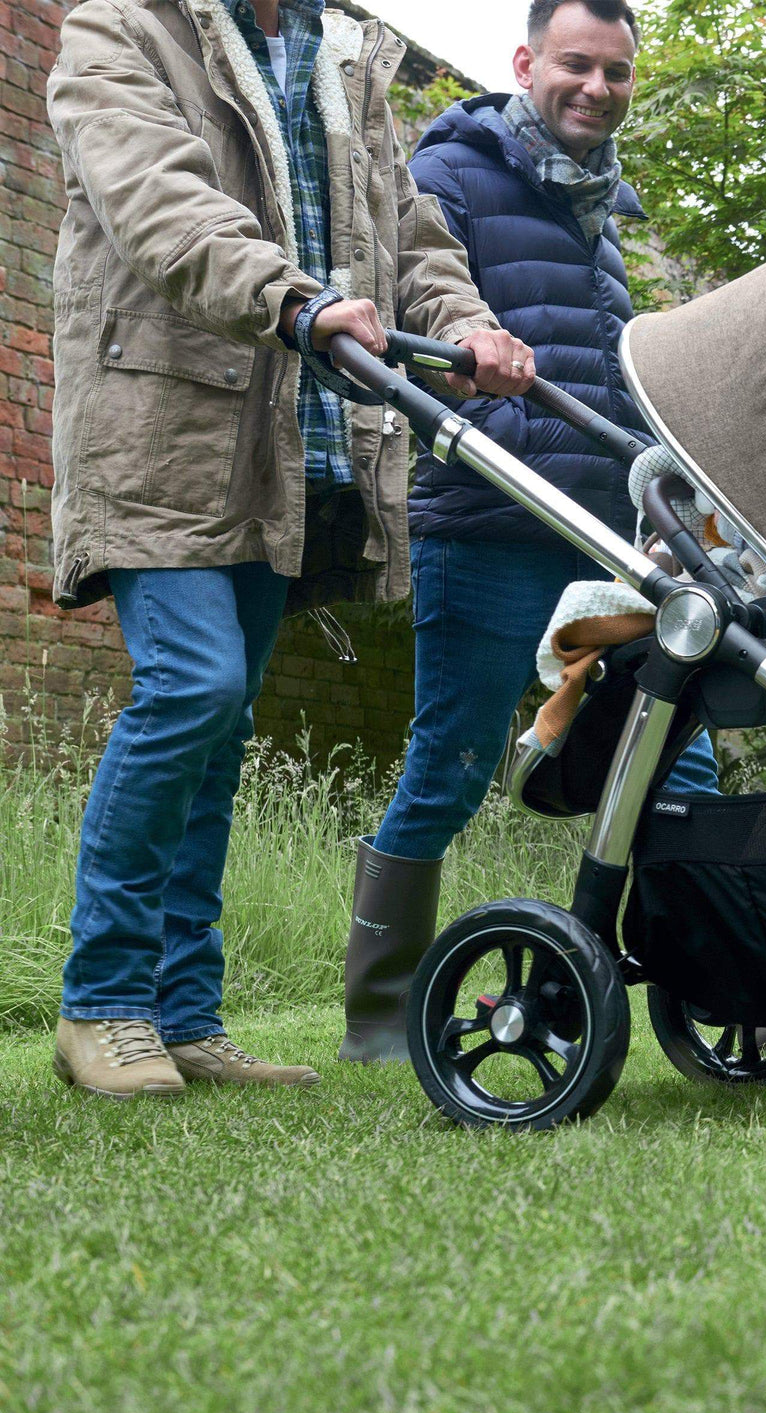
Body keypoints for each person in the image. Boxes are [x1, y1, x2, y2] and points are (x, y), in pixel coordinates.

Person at [46, 0, 535, 1098]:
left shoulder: (346, 56)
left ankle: (183, 1014)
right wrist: (293, 298)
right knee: (194, 687)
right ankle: (103, 1002)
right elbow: (154, 198)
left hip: (291, 441)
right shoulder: (120, 30)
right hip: (160, 428)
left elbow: (408, 234)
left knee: (222, 728)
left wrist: (461, 323)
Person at [341, 0, 721, 1064]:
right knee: (451, 763)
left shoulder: (610, 215)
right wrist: (469, 341)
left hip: (605, 542)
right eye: (575, 66)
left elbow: (620, 382)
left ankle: (724, 973)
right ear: (526, 64)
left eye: (617, 72)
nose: (597, 88)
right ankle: (380, 1013)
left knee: (676, 757)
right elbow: (413, 299)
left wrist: (669, 512)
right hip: (487, 522)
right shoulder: (452, 171)